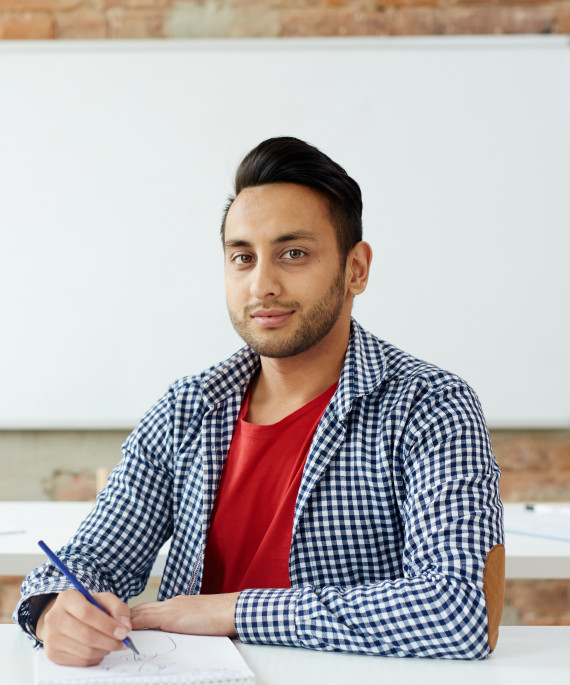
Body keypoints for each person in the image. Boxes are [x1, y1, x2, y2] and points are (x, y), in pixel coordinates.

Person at [14, 136, 504, 663]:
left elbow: (459, 610)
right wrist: (52, 610)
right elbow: (90, 558)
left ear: (356, 269)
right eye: (242, 258)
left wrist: (230, 611)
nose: (261, 285)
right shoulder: (188, 408)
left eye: (293, 254)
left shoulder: (430, 406)